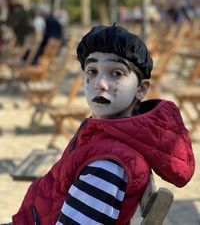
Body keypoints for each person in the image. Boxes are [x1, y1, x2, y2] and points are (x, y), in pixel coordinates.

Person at [7, 24, 194, 225]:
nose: (100, 83)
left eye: (116, 73)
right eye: (92, 71)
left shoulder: (108, 165)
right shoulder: (101, 134)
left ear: (141, 88)